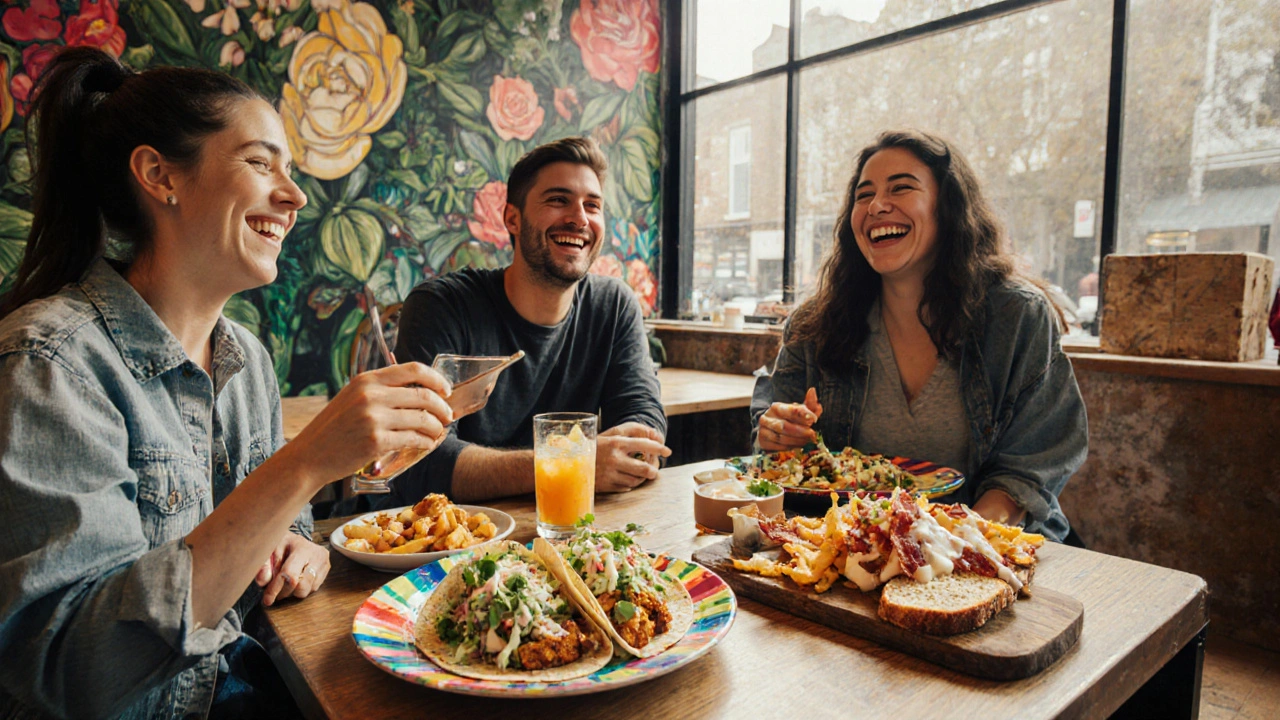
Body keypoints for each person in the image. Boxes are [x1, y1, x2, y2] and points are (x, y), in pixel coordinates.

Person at [0, 48, 453, 719]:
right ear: (160, 175)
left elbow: (284, 528)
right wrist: (305, 464)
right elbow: (80, 675)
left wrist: (303, 546)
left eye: (291, 171)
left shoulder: (247, 358)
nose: (296, 196)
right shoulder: (50, 362)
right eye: (261, 162)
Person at [753, 129, 1087, 542]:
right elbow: (772, 442)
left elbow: (1032, 463)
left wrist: (958, 540)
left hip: (990, 544)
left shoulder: (1016, 316)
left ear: (947, 207)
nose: (877, 206)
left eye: (901, 188)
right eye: (864, 195)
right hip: (855, 548)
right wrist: (775, 435)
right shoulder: (815, 324)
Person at [390, 137, 670, 505]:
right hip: (445, 541)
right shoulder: (442, 306)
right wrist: (577, 464)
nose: (580, 218)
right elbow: (416, 463)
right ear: (513, 219)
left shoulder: (614, 305)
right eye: (558, 200)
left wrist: (628, 453)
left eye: (593, 205)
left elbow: (643, 425)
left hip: (570, 529)